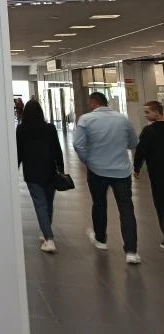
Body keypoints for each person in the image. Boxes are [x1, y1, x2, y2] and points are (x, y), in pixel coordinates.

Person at [73, 92, 141, 264]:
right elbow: (133, 143)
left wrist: (87, 160)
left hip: (97, 170)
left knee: (99, 204)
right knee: (126, 209)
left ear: (93, 103)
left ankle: (101, 239)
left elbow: (78, 144)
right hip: (121, 171)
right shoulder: (123, 119)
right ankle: (131, 251)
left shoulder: (86, 120)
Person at [16, 100, 64, 253]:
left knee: (40, 204)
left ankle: (49, 238)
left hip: (32, 172)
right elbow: (57, 150)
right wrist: (61, 168)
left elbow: (18, 152)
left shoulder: (21, 129)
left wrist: (15, 168)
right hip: (50, 171)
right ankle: (45, 232)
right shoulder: (50, 128)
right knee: (48, 203)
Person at [134, 100, 164, 250]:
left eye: (147, 112)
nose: (145, 115)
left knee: (161, 204)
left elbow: (140, 151)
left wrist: (136, 167)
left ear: (157, 112)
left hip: (158, 174)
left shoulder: (149, 131)